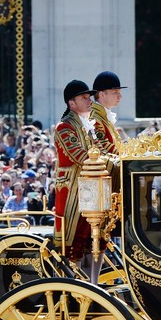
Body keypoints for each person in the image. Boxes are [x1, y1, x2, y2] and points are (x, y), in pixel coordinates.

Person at [52, 79, 98, 260]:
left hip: (88, 188)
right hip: (71, 189)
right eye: (85, 97)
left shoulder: (86, 125)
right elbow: (81, 157)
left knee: (87, 239)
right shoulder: (64, 127)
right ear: (72, 103)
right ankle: (69, 282)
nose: (90, 101)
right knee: (70, 241)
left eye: (89, 97)